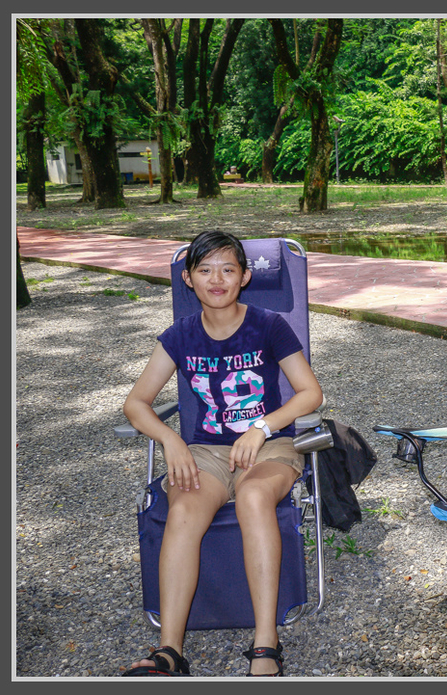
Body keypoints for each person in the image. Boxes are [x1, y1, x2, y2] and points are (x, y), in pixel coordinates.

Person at [121, 230, 323, 677]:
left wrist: (262, 427)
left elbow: (310, 393)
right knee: (183, 511)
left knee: (253, 497)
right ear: (188, 279)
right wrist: (171, 440)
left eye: (228, 269)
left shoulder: (269, 325)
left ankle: (266, 641)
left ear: (245, 277)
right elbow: (136, 403)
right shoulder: (180, 335)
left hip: (268, 445)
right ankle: (170, 651)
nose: (217, 279)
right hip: (205, 452)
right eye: (205, 270)